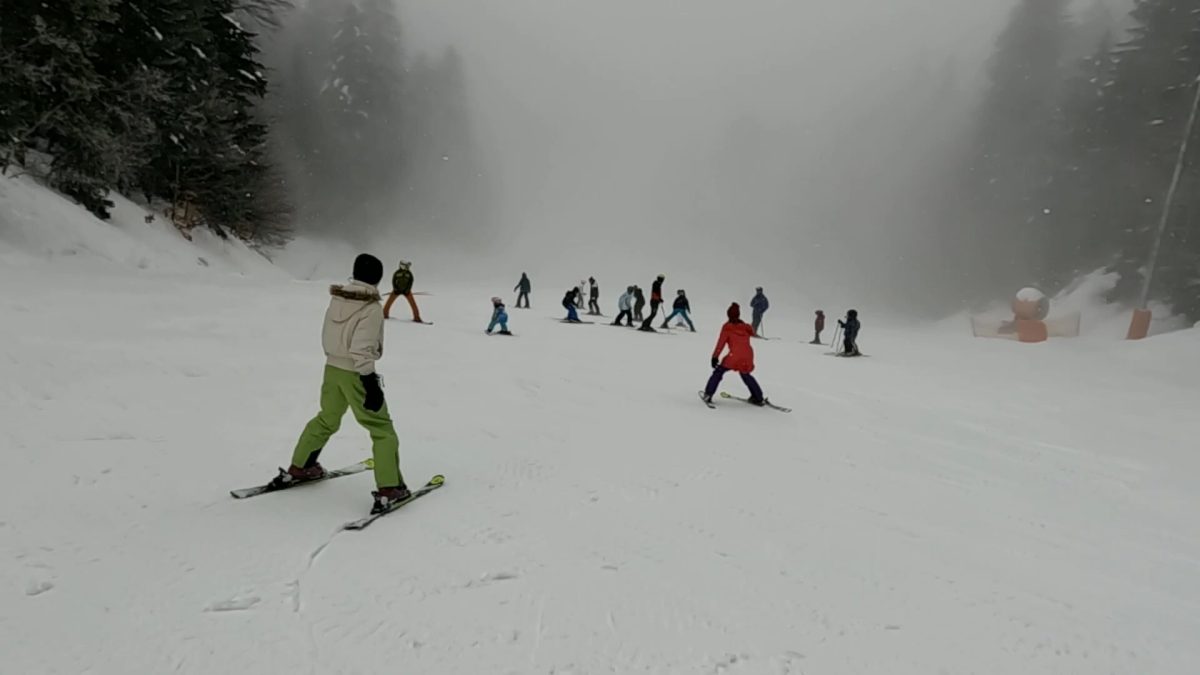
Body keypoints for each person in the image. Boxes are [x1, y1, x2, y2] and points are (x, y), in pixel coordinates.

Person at [277, 253, 409, 513]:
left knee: (327, 418)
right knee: (381, 428)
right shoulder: (370, 308)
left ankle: (301, 467)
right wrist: (370, 381)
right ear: (378, 278)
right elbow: (361, 348)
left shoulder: (337, 299)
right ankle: (390, 488)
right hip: (356, 373)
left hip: (332, 369)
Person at [701, 303, 765, 405]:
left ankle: (708, 394)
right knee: (745, 374)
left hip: (734, 356)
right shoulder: (745, 327)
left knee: (718, 372)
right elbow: (751, 332)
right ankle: (758, 397)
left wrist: (715, 357)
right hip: (748, 355)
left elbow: (720, 343)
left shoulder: (727, 327)